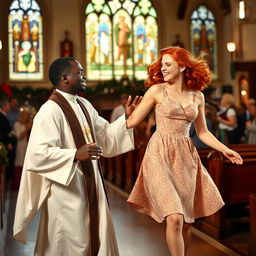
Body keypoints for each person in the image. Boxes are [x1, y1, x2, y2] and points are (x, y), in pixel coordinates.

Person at [13, 57, 140, 256]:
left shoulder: (83, 104)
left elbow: (106, 135)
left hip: (90, 184)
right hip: (66, 191)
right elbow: (38, 154)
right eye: (79, 72)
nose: (84, 76)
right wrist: (74, 154)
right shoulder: (49, 111)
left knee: (91, 238)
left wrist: (127, 119)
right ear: (65, 78)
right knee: (70, 241)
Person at [125, 47, 243, 256]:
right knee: (175, 217)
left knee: (187, 221)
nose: (163, 68)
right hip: (159, 154)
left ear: (182, 66)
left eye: (168, 64)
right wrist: (128, 114)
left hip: (185, 156)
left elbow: (203, 132)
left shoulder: (197, 96)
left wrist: (226, 150)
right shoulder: (156, 91)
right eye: (162, 65)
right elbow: (132, 122)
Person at [13, 107, 33, 189]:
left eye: (28, 115)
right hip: (21, 147)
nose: (27, 116)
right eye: (25, 115)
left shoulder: (30, 124)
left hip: (29, 147)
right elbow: (19, 136)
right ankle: (18, 185)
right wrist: (26, 128)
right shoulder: (17, 124)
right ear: (22, 115)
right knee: (20, 163)